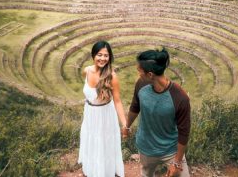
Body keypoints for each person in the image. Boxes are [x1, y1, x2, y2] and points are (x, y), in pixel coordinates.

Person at [123, 48, 191, 177]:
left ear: (150, 75)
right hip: (146, 147)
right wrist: (127, 126)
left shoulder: (180, 97)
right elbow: (134, 107)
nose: (138, 74)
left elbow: (184, 132)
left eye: (139, 71)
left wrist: (176, 162)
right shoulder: (141, 84)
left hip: (171, 150)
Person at [78, 41, 127, 177]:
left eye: (106, 55)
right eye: (99, 55)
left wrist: (125, 124)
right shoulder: (86, 71)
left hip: (105, 115)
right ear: (93, 55)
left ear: (110, 57)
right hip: (90, 113)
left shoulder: (112, 77)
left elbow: (117, 102)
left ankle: (105, 172)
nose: (103, 58)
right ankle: (92, 171)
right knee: (91, 141)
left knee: (104, 144)